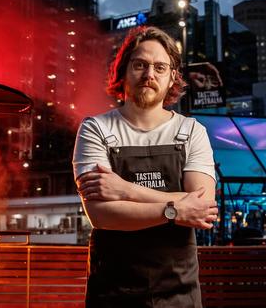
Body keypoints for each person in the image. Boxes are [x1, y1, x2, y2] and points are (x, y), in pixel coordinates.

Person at [72, 26, 218, 307]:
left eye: (160, 67)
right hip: (112, 295)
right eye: (140, 65)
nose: (150, 75)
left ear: (173, 77)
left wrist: (125, 189)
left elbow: (201, 207)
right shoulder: (95, 128)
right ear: (123, 71)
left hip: (180, 296)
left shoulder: (191, 131)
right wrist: (177, 209)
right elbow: (102, 215)